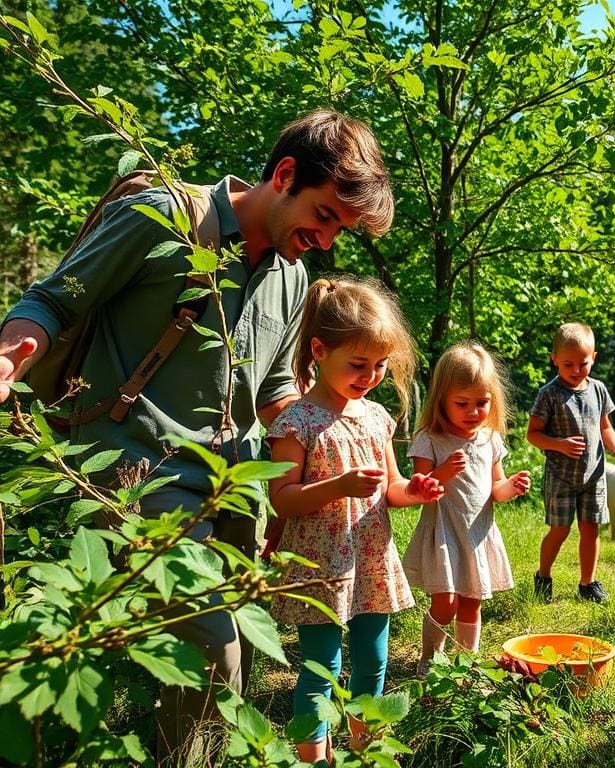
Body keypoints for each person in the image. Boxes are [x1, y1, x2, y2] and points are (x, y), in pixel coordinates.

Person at [0, 109, 394, 762]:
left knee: (222, 647)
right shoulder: (162, 219)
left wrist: (315, 455)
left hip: (232, 491)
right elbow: (54, 299)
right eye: (324, 216)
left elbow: (272, 396)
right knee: (219, 653)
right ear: (286, 174)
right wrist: (10, 358)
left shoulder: (294, 281)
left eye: (340, 230)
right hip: (137, 472)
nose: (325, 240)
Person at [266, 276, 442, 764]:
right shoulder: (296, 422)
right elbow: (282, 499)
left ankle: (367, 748)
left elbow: (391, 489)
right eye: (358, 364)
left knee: (375, 660)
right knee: (322, 667)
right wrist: (337, 487)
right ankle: (312, 756)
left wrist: (418, 490)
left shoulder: (377, 417)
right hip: (321, 565)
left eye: (381, 365)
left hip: (370, 562)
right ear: (319, 351)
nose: (370, 375)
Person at [402, 341, 531, 675]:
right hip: (444, 532)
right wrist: (442, 473)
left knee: (472, 601)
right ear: (442, 400)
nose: (473, 411)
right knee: (445, 602)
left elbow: (495, 490)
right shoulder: (430, 438)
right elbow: (419, 485)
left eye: (482, 403)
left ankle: (466, 663)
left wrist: (511, 487)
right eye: (462, 403)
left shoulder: (490, 440)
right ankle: (430, 660)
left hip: (477, 534)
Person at [526, 322, 615, 604]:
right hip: (561, 475)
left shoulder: (598, 390)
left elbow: (605, 427)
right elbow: (533, 434)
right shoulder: (549, 394)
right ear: (554, 360)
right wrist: (559, 444)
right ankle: (543, 576)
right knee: (560, 530)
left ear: (594, 358)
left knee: (591, 528)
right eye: (568, 365)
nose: (576, 370)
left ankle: (587, 583)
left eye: (583, 364)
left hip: (594, 475)